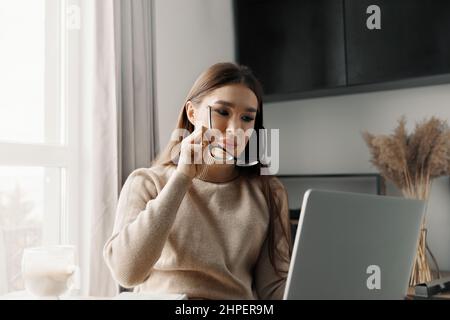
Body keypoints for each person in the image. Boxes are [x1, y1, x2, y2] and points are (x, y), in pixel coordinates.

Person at [103, 62, 292, 300]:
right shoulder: (147, 182)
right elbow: (126, 273)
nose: (235, 128)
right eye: (223, 112)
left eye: (246, 118)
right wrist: (182, 177)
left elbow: (273, 288)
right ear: (192, 113)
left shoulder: (268, 192)